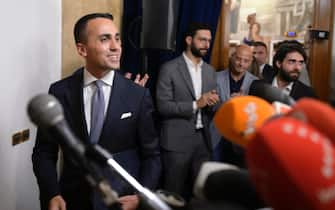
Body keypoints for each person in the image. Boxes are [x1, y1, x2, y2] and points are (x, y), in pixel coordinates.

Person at [32, 13, 161, 210]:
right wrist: (52, 193)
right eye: (104, 39)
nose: (116, 46)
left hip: (121, 202)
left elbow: (152, 155)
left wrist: (140, 196)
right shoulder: (59, 92)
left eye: (117, 38)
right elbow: (44, 152)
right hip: (72, 200)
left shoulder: (138, 95)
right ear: (82, 49)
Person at [156, 22, 219, 200]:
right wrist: (196, 104)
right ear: (189, 40)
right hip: (176, 142)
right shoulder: (169, 68)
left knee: (201, 194)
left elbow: (211, 106)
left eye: (209, 40)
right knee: (172, 193)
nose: (206, 44)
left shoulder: (210, 71)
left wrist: (216, 104)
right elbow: (163, 106)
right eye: (202, 40)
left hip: (203, 141)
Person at [210, 45, 258, 166]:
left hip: (241, 138)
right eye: (238, 59)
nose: (241, 64)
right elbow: (209, 106)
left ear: (251, 62)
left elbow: (257, 112)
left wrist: (243, 103)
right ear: (231, 57)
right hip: (217, 136)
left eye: (246, 61)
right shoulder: (215, 77)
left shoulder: (256, 82)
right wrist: (229, 104)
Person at [249, 41, 316, 100]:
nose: (297, 67)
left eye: (300, 63)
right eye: (292, 62)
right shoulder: (257, 86)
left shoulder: (308, 93)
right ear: (279, 63)